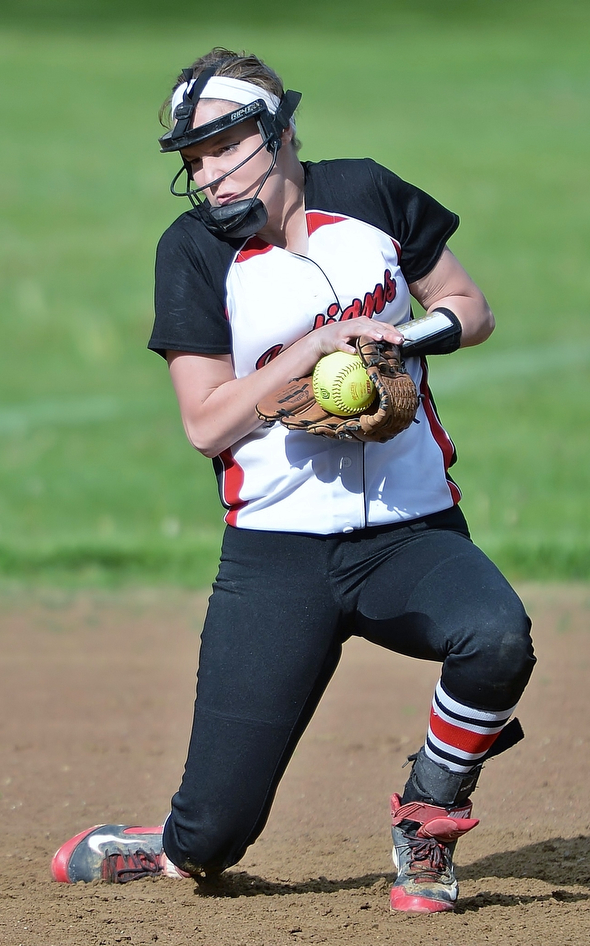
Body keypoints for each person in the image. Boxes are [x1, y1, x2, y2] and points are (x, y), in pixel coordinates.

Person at [51, 47, 535, 913]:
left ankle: (430, 815)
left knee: (496, 638)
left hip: (411, 533)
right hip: (276, 560)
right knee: (213, 840)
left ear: (276, 133)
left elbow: (469, 307)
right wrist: (308, 355)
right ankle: (168, 844)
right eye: (191, 159)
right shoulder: (193, 251)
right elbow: (205, 422)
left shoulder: (370, 193)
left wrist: (400, 343)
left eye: (220, 146)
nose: (204, 174)